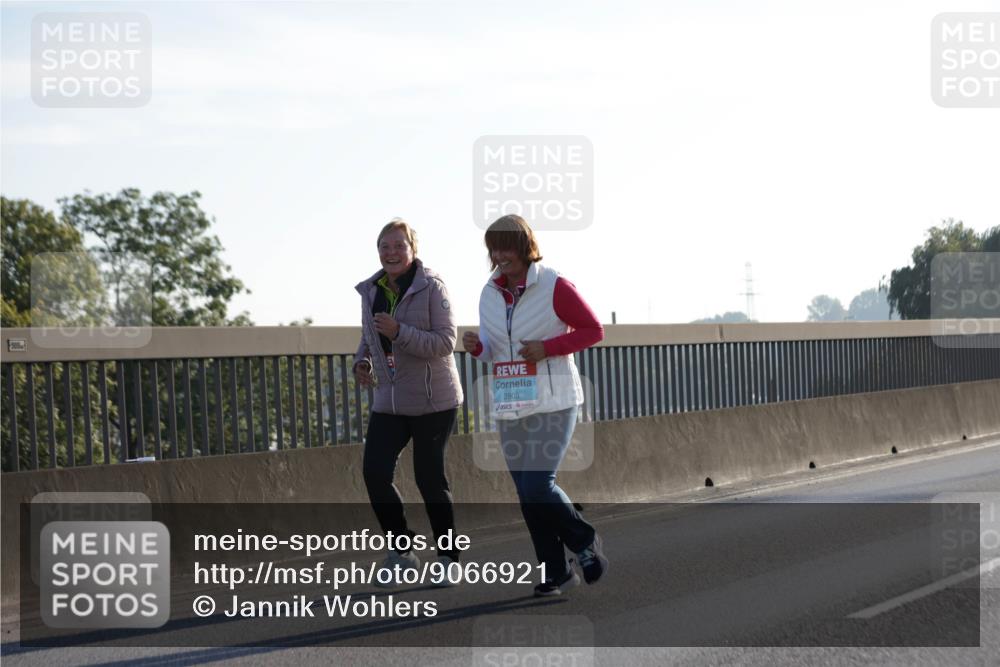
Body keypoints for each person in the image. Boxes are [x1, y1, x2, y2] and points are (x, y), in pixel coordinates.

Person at [462, 214, 608, 596]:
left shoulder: (553, 285)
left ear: (525, 246)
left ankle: (584, 541)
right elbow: (496, 351)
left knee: (539, 485)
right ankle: (555, 571)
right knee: (528, 495)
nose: (499, 254)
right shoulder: (489, 293)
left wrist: (548, 348)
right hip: (511, 403)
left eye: (506, 245)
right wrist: (479, 348)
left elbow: (594, 330)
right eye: (493, 247)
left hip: (554, 400)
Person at [354, 218, 464, 587]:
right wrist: (362, 361)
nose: (391, 252)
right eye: (385, 246)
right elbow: (370, 336)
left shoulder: (431, 287)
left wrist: (400, 332)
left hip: (435, 399)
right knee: (374, 472)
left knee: (429, 478)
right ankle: (402, 551)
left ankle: (448, 557)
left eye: (399, 245)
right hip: (391, 397)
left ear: (413, 250)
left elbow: (445, 342)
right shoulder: (373, 290)